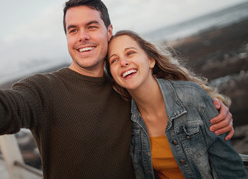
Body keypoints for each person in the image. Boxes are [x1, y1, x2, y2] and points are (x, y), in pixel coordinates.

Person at [0, 0, 234, 178]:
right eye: (72, 30)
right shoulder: (44, 88)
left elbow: (173, 98)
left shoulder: (127, 84)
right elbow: (3, 112)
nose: (81, 36)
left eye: (91, 26)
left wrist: (214, 108)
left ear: (109, 30)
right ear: (67, 38)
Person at [106, 30, 247, 178]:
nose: (123, 62)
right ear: (113, 75)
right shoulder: (124, 118)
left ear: (150, 60)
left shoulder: (192, 97)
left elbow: (229, 167)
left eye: (130, 53)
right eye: (114, 60)